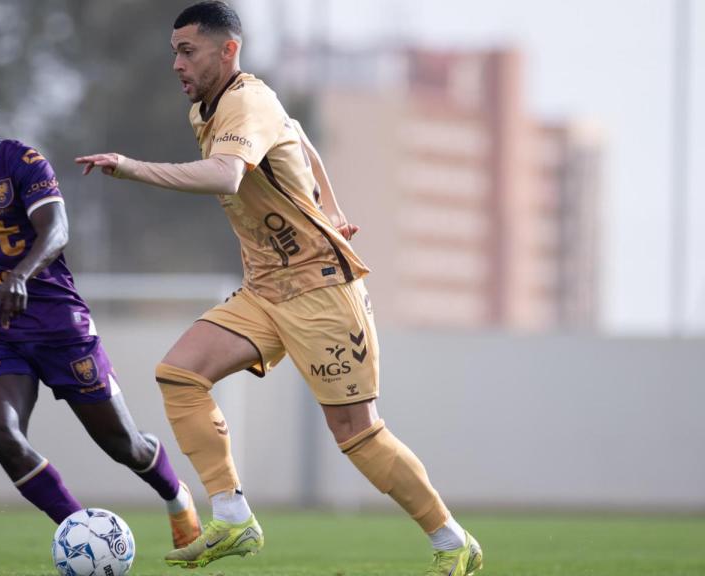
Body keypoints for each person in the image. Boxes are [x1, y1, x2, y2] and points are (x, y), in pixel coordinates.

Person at [75, 2, 483, 574]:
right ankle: (234, 515)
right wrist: (333, 207)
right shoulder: (210, 109)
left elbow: (226, 174)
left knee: (357, 433)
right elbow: (299, 137)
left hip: (320, 291)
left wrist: (130, 166)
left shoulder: (248, 99)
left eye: (187, 50)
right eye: (174, 51)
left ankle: (452, 541)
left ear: (228, 50)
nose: (176, 63)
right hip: (266, 291)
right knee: (180, 374)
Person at [0, 72, 202, 550]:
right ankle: (80, 532)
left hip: (59, 328)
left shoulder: (23, 162)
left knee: (123, 445)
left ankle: (176, 495)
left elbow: (56, 229)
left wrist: (19, 275)